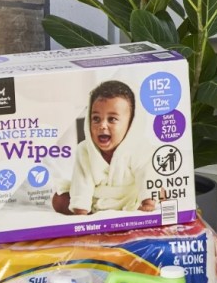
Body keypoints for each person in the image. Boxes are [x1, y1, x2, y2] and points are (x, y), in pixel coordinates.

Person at [52, 80, 157, 215]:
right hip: (97, 199)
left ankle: (149, 200)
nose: (102, 125)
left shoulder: (139, 148)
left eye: (112, 119)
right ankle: (92, 211)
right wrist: (81, 211)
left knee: (158, 189)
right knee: (59, 199)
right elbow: (82, 182)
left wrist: (148, 202)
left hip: (132, 197)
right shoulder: (85, 150)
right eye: (96, 119)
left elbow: (146, 175)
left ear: (130, 124)